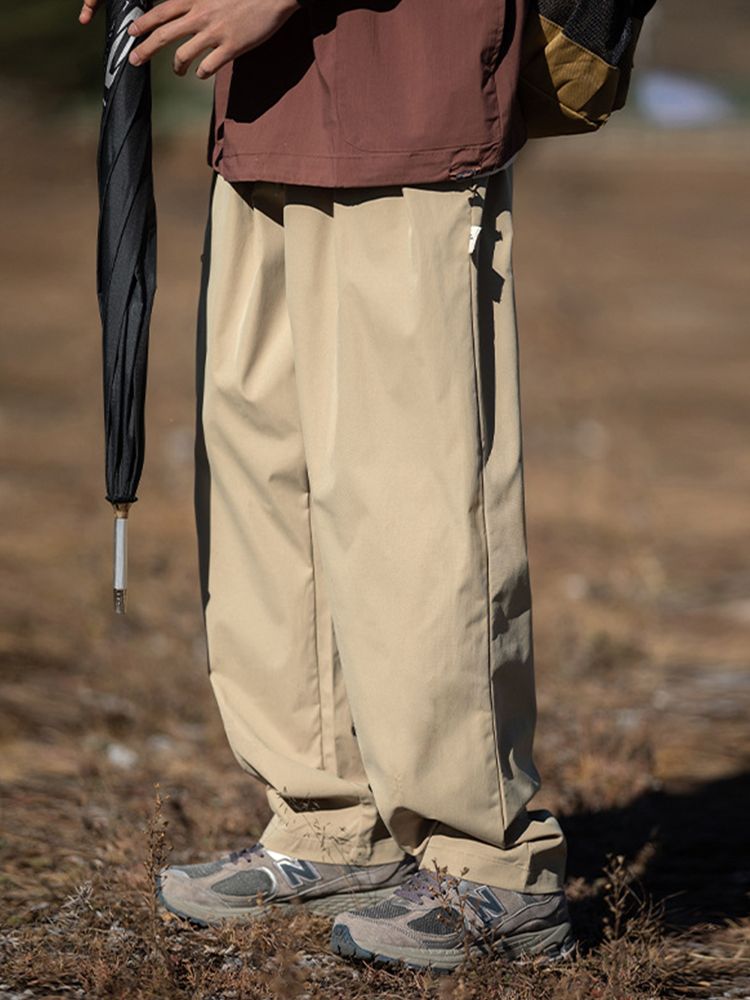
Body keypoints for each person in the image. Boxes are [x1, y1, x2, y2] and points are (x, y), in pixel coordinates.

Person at [80, 0, 573, 971]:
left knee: (413, 487)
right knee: (267, 474)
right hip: (264, 104)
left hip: (407, 88)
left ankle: (490, 863)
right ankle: (330, 823)